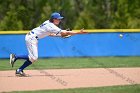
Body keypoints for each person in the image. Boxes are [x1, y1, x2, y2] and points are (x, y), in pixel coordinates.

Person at [10, 12, 87, 76]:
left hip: (32, 37)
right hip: (31, 38)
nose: (60, 20)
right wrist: (78, 32)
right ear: (54, 19)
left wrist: (61, 35)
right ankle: (15, 57)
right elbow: (64, 32)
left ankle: (19, 70)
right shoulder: (51, 26)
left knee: (33, 58)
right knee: (34, 57)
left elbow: (50, 34)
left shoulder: (48, 22)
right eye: (58, 19)